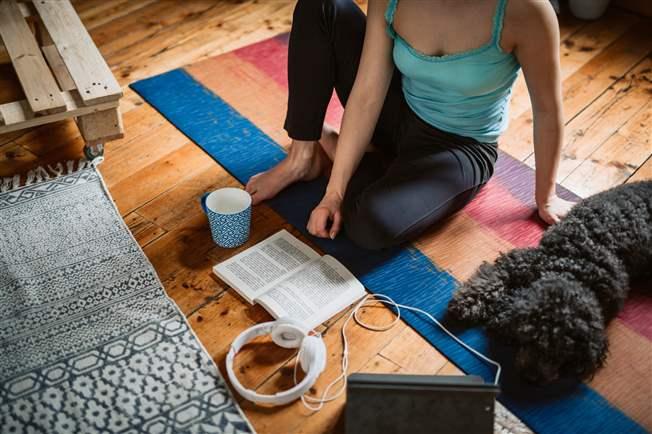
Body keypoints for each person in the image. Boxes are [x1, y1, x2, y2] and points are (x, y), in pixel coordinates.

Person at [245, 0, 575, 250]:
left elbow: (547, 110)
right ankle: (304, 157)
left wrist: (545, 197)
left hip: (457, 147)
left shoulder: (526, 11)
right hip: (397, 112)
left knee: (367, 225)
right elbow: (368, 92)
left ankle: (345, 150)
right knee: (322, 5)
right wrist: (334, 193)